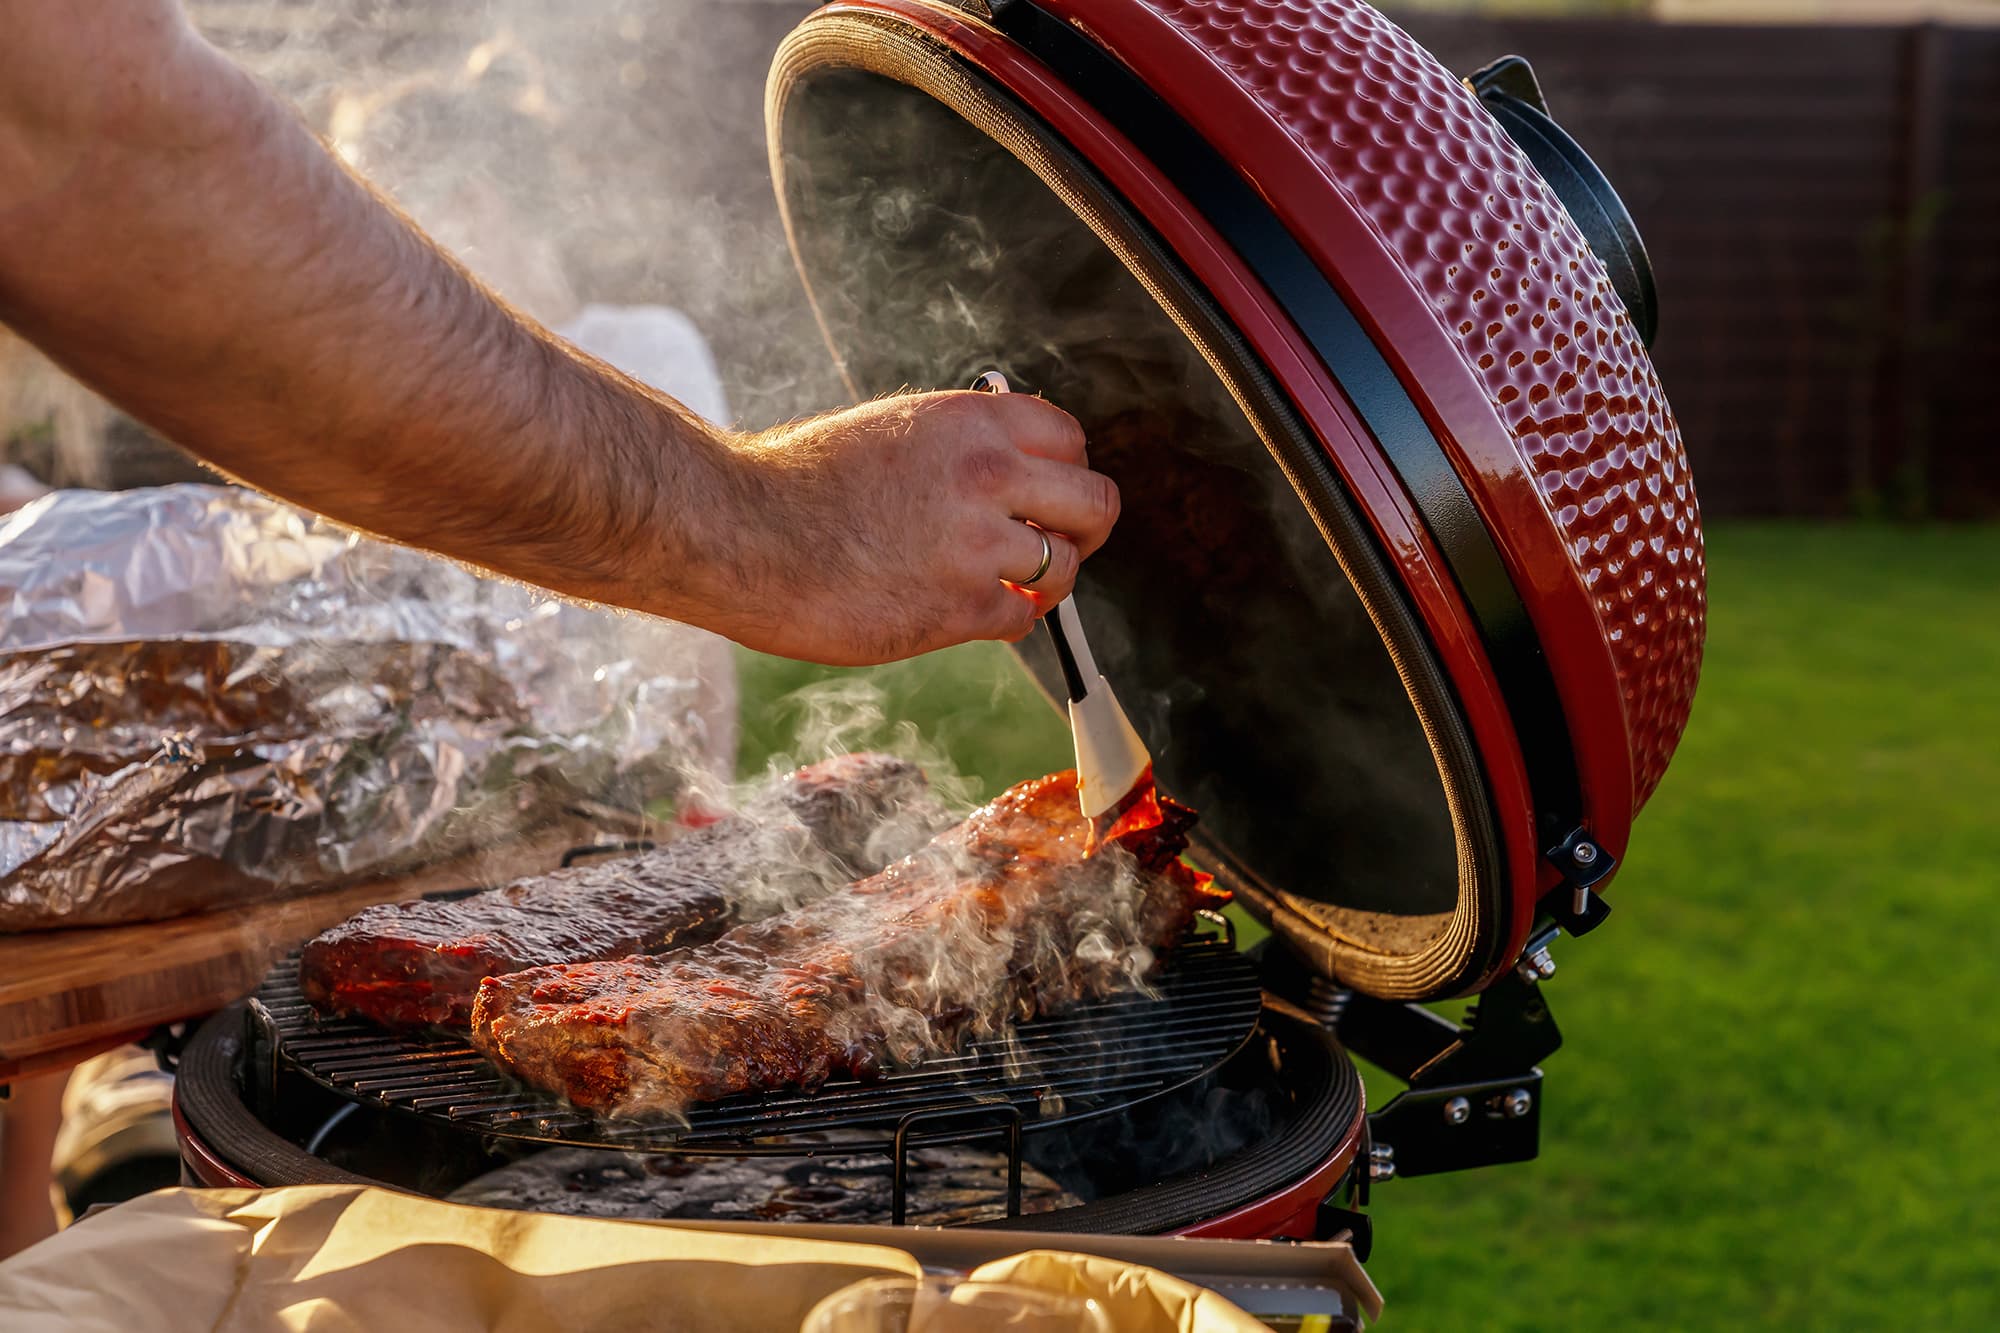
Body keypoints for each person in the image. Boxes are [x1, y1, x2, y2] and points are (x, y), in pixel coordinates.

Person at [0, 1, 1119, 670]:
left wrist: (775, 526)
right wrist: (775, 528)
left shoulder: (641, 336)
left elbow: (88, 140)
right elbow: (87, 140)